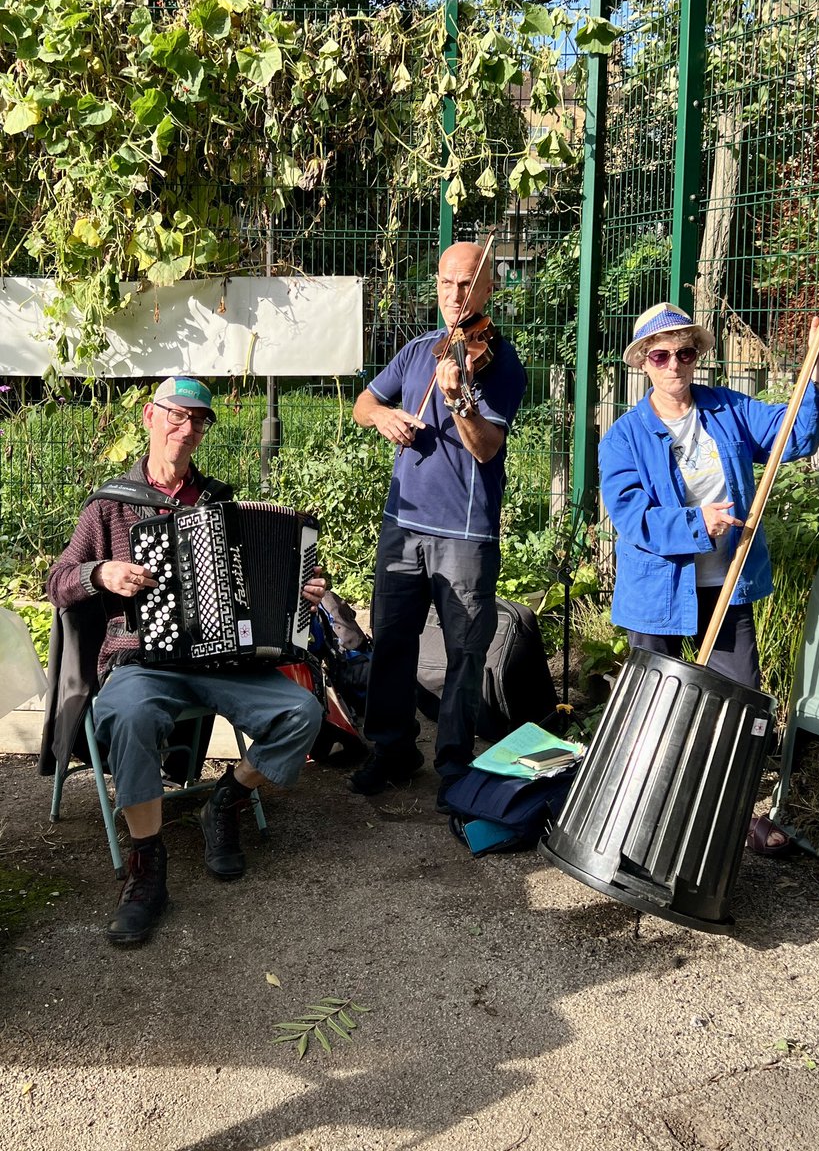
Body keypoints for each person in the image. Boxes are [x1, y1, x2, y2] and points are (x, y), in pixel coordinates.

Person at [45, 377, 327, 946]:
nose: (188, 429)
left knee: (303, 711)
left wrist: (304, 588)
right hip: (143, 662)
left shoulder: (220, 501)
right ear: (150, 417)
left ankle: (226, 801)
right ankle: (147, 864)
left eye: (199, 421)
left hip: (224, 660)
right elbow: (57, 581)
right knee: (126, 716)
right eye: (177, 416)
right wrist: (101, 574)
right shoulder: (109, 506)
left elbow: (261, 584)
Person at [350, 242, 528, 810]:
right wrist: (382, 417)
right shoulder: (416, 351)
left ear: (487, 291)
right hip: (402, 524)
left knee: (464, 651)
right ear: (437, 287)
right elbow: (363, 403)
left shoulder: (499, 363)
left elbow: (486, 447)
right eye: (448, 283)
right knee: (392, 640)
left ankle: (453, 763)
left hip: (465, 532)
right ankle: (391, 747)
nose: (456, 295)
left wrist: (457, 400)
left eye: (467, 284)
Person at [599, 302, 819, 691]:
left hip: (727, 583)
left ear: (695, 357)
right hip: (656, 592)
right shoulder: (624, 437)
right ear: (643, 363)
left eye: (684, 353)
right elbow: (633, 518)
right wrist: (696, 523)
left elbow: (796, 437)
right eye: (661, 355)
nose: (674, 365)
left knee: (736, 695)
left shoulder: (728, 409)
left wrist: (816, 369)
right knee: (654, 702)